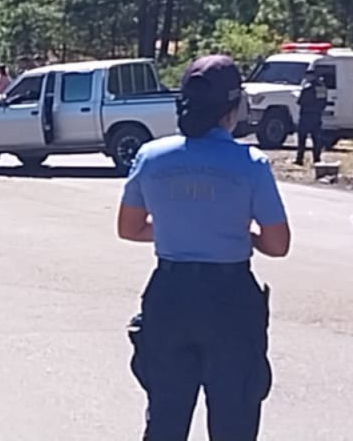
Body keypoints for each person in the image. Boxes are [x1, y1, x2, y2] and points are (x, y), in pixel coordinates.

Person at [118, 54, 291, 441]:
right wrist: (239, 234)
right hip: (230, 299)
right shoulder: (251, 163)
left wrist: (176, 227)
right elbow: (277, 244)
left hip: (169, 295)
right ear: (232, 107)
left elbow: (129, 229)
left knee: (165, 416)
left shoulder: (151, 156)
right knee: (234, 417)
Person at [294, 65, 328, 166]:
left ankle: (300, 159)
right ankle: (317, 159)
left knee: (302, 138)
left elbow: (300, 101)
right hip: (317, 116)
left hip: (306, 116)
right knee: (316, 138)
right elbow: (323, 102)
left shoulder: (307, 88)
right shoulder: (321, 87)